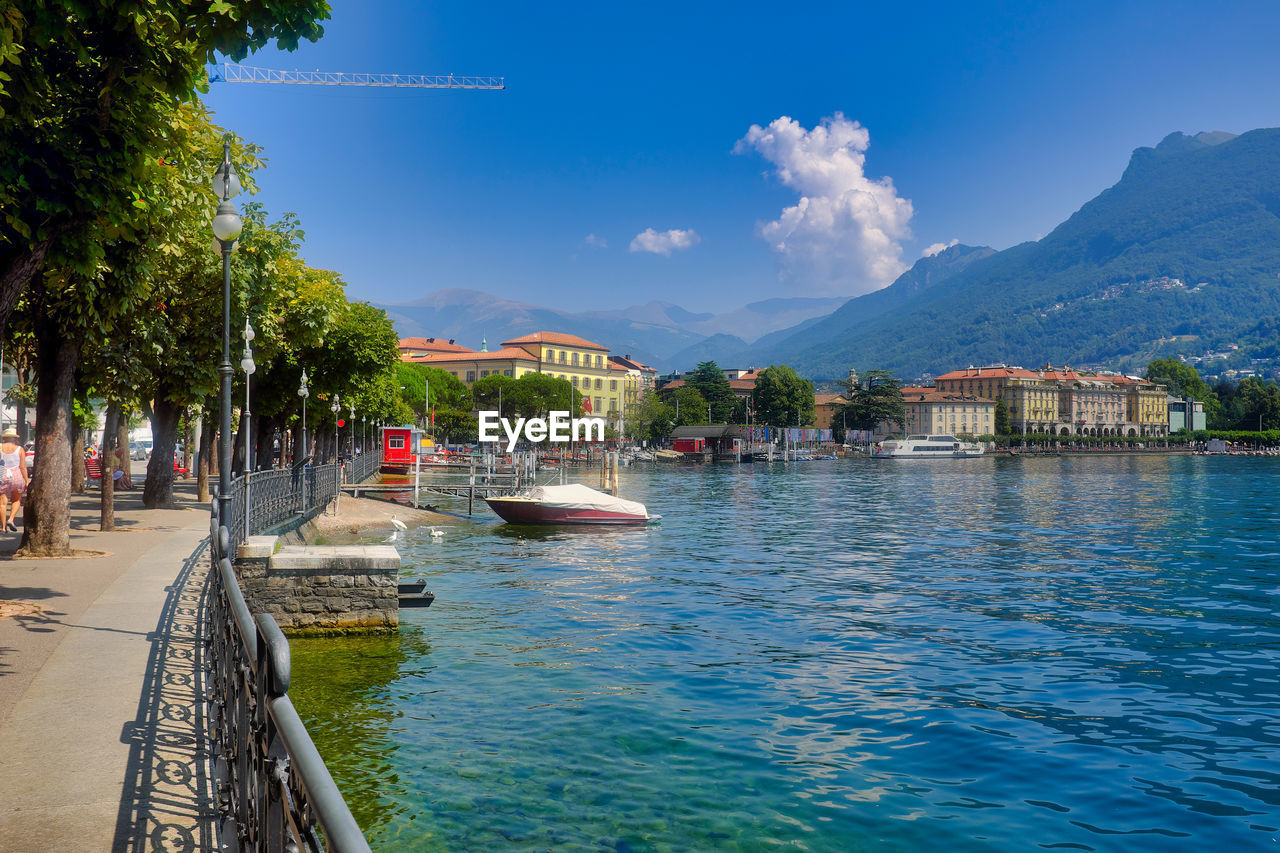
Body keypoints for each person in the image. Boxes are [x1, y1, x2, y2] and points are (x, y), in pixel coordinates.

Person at [0, 428, 30, 532]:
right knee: (16, 500)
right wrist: (26, 481)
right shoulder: (20, 449)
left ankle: (3, 527)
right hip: (16, 475)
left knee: (2, 503)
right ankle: (11, 519)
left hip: (2, 474)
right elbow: (23, 467)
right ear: (14, 438)